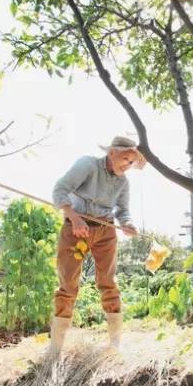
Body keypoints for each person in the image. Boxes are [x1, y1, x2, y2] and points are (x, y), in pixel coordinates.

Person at [48, 136, 145, 355]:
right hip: (76, 227)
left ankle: (115, 342)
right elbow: (60, 189)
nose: (128, 165)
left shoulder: (123, 182)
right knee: (68, 283)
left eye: (132, 162)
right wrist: (74, 217)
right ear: (112, 152)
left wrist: (127, 223)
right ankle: (56, 347)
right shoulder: (88, 165)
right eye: (125, 159)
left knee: (108, 282)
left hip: (105, 230)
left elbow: (122, 210)